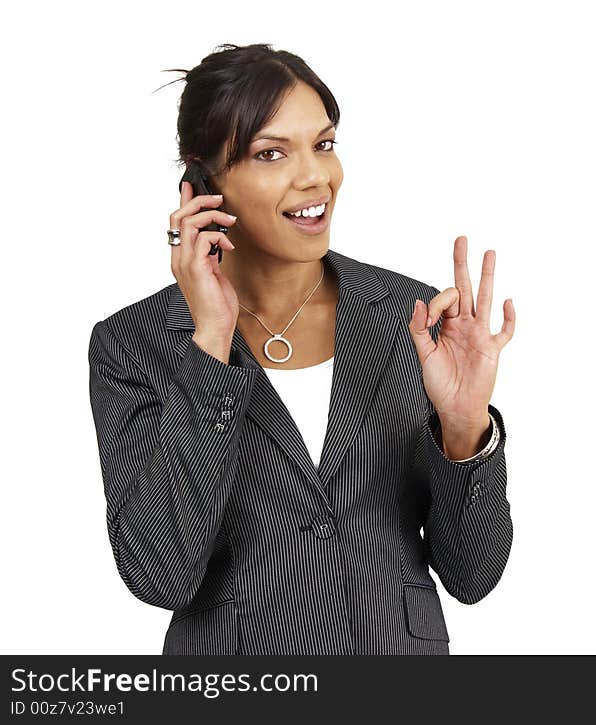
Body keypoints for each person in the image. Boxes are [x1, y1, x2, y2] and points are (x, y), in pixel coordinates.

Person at [87, 43, 516, 655]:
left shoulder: (414, 321)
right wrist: (209, 343)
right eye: (270, 153)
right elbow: (161, 574)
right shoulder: (134, 343)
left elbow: (472, 577)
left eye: (325, 144)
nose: (315, 175)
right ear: (204, 187)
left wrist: (465, 425)